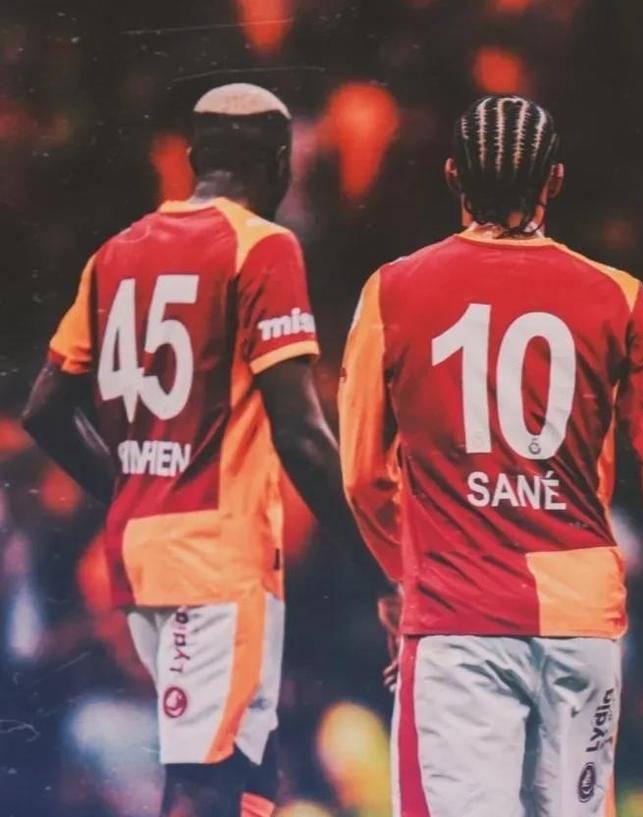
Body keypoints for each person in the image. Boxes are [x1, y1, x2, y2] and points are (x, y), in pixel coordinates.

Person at [339, 94, 643, 817]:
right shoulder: (619, 297)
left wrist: (406, 572)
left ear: (452, 176)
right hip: (579, 623)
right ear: (555, 180)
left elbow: (364, 475)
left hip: (458, 617)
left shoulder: (392, 291)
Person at [22, 83, 364, 817]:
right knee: (202, 780)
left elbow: (46, 408)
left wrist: (128, 490)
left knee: (249, 767)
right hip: (216, 561)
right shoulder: (262, 246)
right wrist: (380, 552)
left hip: (145, 549)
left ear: (193, 158)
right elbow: (302, 432)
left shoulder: (115, 253)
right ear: (280, 164)